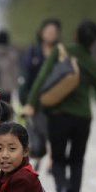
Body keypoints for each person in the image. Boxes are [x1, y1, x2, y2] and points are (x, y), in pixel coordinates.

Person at [23, 20, 96, 192]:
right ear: (94, 41)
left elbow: (42, 78)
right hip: (82, 119)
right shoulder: (92, 63)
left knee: (59, 158)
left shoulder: (60, 51)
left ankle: (62, 188)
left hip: (58, 116)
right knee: (77, 161)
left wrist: (31, 103)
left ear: (74, 36)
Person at [19, 19, 62, 165]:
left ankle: (52, 158)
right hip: (36, 100)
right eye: (48, 31)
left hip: (57, 100)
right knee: (38, 132)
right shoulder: (33, 52)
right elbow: (25, 75)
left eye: (54, 32)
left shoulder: (61, 53)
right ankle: (38, 155)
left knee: (54, 131)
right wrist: (25, 98)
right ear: (41, 33)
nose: (51, 34)